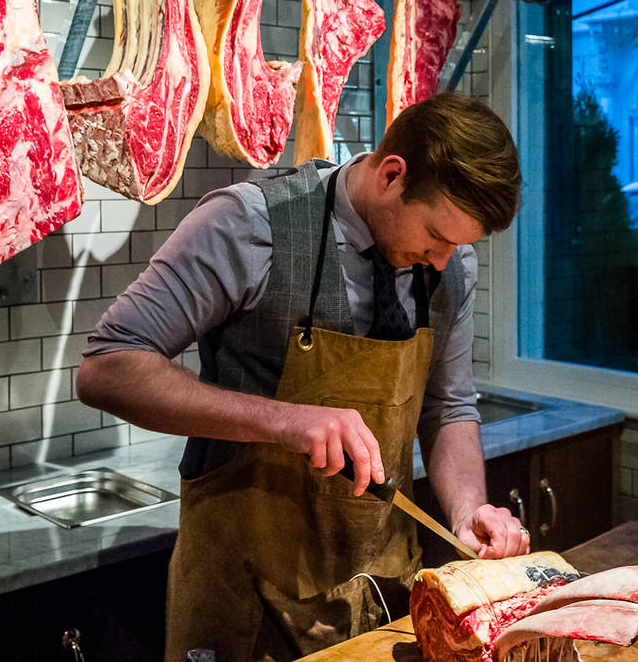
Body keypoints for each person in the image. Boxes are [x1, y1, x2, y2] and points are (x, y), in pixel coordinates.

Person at [77, 91, 526, 661]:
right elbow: (107, 366)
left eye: (458, 246)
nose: (442, 260)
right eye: (436, 237)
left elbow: (449, 407)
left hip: (382, 594)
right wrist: (283, 419)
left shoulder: (450, 263)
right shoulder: (249, 223)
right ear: (392, 175)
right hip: (245, 592)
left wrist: (468, 513)